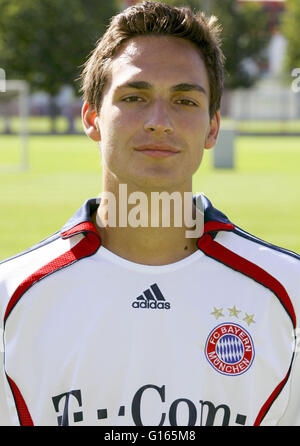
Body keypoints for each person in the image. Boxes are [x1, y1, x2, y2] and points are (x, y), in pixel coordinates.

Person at [0, 1, 299, 427]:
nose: (160, 121)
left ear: (213, 126)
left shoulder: (289, 295)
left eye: (185, 100)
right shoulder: (11, 299)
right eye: (135, 97)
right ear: (91, 117)